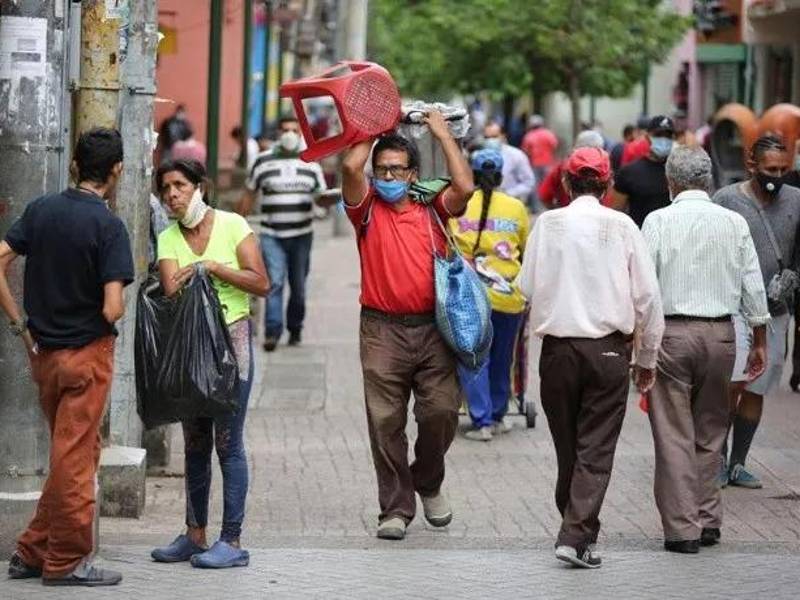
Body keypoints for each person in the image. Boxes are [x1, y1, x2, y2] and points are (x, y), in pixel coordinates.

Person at [518, 146, 664, 569]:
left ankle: (575, 529)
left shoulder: (547, 224)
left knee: (571, 448)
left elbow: (526, 287)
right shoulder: (622, 226)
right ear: (607, 184)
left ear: (565, 182)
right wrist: (648, 357)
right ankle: (576, 532)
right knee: (594, 449)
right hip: (607, 351)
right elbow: (648, 298)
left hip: (558, 353)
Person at [1, 128, 133, 587]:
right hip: (87, 355)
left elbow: (0, 258)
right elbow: (113, 307)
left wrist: (20, 325)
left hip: (45, 356)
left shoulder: (41, 210)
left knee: (70, 453)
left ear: (75, 165)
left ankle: (31, 552)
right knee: (76, 460)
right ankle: (67, 561)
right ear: (116, 171)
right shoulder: (109, 226)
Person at [340, 111, 473, 541]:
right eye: (382, 169)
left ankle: (428, 479)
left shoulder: (431, 205)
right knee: (385, 422)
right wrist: (374, 127)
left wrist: (440, 133)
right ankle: (395, 507)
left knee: (440, 412)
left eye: (398, 169)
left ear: (413, 172)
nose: (389, 176)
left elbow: (466, 187)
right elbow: (347, 166)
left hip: (434, 328)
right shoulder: (365, 211)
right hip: (380, 330)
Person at [641, 146, 769, 554]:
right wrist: (760, 337)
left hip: (672, 336)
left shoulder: (658, 220)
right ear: (708, 181)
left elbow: (644, 289)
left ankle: (683, 529)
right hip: (722, 336)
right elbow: (753, 280)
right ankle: (709, 519)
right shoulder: (733, 222)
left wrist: (640, 345)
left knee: (674, 434)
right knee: (712, 431)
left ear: (670, 182)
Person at [150, 158, 269, 569]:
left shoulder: (234, 226)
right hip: (190, 349)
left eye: (180, 185)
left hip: (232, 346)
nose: (172, 195)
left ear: (200, 187)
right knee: (196, 443)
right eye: (165, 188)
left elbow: (261, 282)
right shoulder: (167, 236)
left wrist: (213, 267)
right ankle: (194, 535)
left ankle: (232, 540)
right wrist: (197, 273)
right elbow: (169, 286)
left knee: (228, 443)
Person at [713, 134, 800, 489]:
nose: (776, 177)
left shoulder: (796, 200)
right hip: (733, 309)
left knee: (756, 389)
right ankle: (716, 457)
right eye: (769, 169)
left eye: (783, 170)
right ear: (751, 165)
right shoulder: (726, 200)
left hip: (776, 311)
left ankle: (738, 462)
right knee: (728, 387)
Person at [449, 148, 529, 442]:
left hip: (470, 297)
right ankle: (497, 416)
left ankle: (480, 421)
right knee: (502, 359)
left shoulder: (458, 205)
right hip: (509, 297)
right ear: (500, 175)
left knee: (474, 359)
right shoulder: (516, 208)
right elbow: (525, 248)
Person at [238, 115, 326, 351]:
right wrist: (238, 223)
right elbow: (249, 193)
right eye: (285, 129)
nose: (289, 134)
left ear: (301, 134)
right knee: (274, 282)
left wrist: (326, 202)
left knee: (298, 286)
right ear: (278, 132)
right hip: (271, 233)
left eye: (294, 130)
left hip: (301, 234)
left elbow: (321, 196)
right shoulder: (262, 161)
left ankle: (295, 328)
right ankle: (272, 332)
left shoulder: (311, 162)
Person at [611, 115, 676, 228]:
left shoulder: (679, 171)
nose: (664, 140)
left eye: (668, 136)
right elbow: (616, 214)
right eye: (658, 135)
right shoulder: (628, 172)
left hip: (672, 240)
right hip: (640, 240)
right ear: (647, 137)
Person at [538, 130, 607, 209]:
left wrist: (557, 212)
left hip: (566, 216)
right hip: (599, 217)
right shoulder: (605, 168)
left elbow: (544, 195)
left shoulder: (563, 166)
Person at [483, 121, 536, 204]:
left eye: (494, 137)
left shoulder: (516, 155)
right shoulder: (478, 155)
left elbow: (529, 183)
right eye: (486, 137)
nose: (490, 140)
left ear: (503, 136)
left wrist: (508, 194)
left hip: (509, 204)